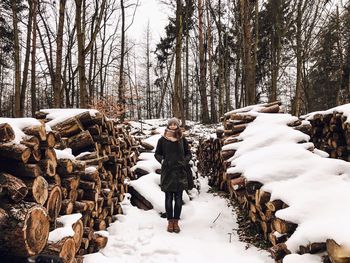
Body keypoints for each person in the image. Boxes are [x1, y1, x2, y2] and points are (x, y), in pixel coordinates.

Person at [155, 117, 192, 233]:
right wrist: (162, 161)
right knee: (168, 198)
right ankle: (170, 222)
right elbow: (157, 154)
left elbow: (188, 153)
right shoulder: (162, 139)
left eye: (174, 124)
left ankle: (176, 222)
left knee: (178, 199)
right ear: (168, 125)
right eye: (170, 124)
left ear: (177, 125)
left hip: (180, 172)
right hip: (168, 172)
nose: (172, 126)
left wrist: (184, 161)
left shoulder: (182, 139)